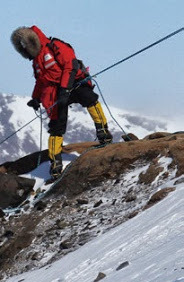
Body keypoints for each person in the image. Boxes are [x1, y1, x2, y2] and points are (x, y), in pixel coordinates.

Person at [11, 25, 113, 179]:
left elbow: (70, 65)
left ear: (32, 41)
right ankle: (55, 163)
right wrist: (36, 98)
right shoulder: (36, 61)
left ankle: (103, 131)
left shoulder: (55, 46)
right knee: (56, 126)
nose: (25, 50)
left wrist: (65, 89)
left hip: (74, 82)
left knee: (89, 98)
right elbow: (40, 81)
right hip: (55, 92)